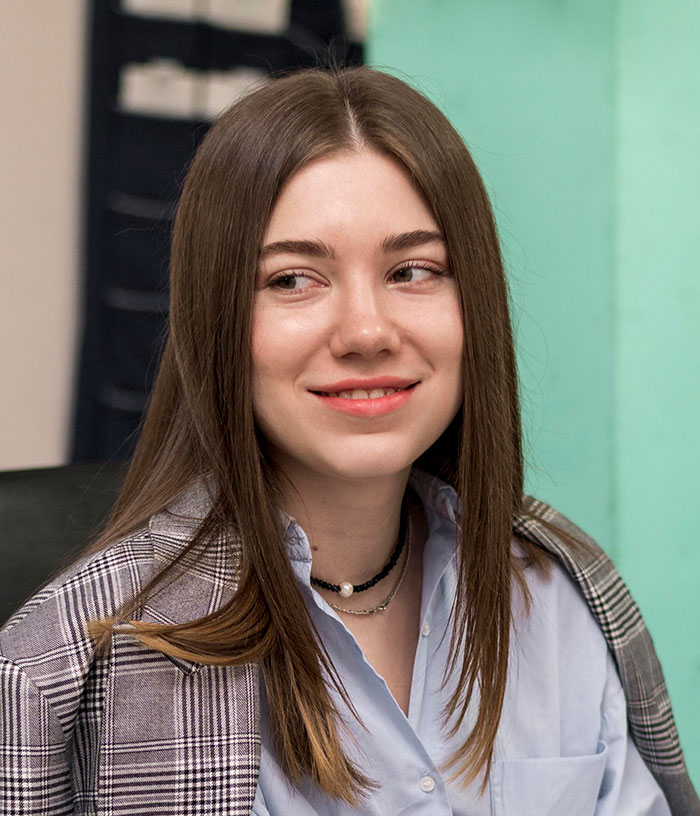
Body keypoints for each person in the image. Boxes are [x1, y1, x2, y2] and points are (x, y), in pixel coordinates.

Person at [0, 66, 697, 816]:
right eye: (295, 279)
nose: (367, 332)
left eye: (413, 270)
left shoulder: (563, 594)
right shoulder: (62, 668)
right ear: (217, 323)